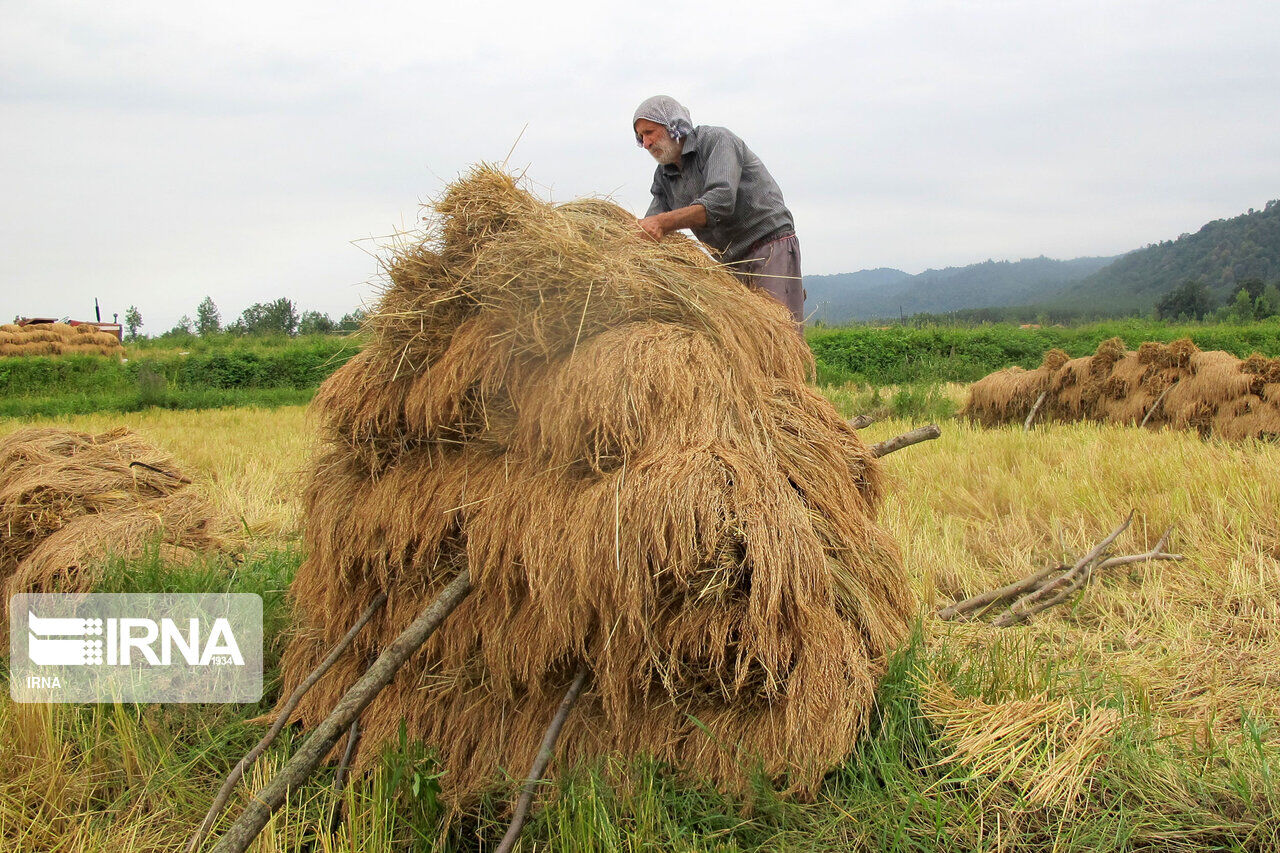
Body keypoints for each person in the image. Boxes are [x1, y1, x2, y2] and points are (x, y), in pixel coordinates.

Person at [633, 95, 804, 324]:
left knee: (778, 335)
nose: (645, 143)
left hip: (769, 245)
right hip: (729, 263)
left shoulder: (716, 141)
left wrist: (662, 223)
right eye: (640, 137)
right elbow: (650, 223)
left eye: (650, 132)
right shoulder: (664, 176)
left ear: (672, 125)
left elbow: (721, 200)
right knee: (744, 342)